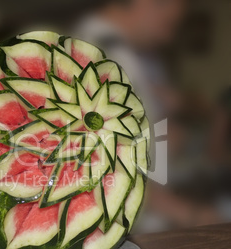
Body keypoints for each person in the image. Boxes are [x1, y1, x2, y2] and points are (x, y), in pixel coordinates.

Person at [73, 0, 226, 231]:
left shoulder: (137, 57)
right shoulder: (98, 55)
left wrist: (162, 139)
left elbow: (148, 145)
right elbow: (104, 167)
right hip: (125, 229)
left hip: (150, 217)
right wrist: (191, 214)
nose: (171, 31)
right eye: (170, 20)